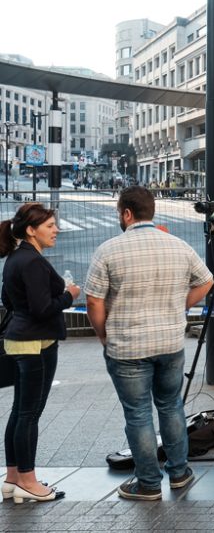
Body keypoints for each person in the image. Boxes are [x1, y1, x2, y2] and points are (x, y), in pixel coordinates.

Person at [85, 186, 214, 501]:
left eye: (119, 213)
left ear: (127, 213)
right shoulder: (178, 245)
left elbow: (93, 300)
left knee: (138, 414)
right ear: (151, 212)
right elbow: (207, 281)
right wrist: (180, 306)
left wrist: (104, 335)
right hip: (170, 343)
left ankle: (148, 484)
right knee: (172, 407)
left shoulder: (109, 250)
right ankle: (180, 474)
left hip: (127, 346)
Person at [0, 203, 79, 504]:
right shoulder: (32, 261)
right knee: (29, 414)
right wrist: (69, 294)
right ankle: (29, 482)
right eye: (49, 226)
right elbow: (42, 308)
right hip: (35, 344)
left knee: (20, 412)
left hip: (20, 341)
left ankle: (13, 479)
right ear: (32, 230)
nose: (56, 229)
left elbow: (7, 298)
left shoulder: (16, 257)